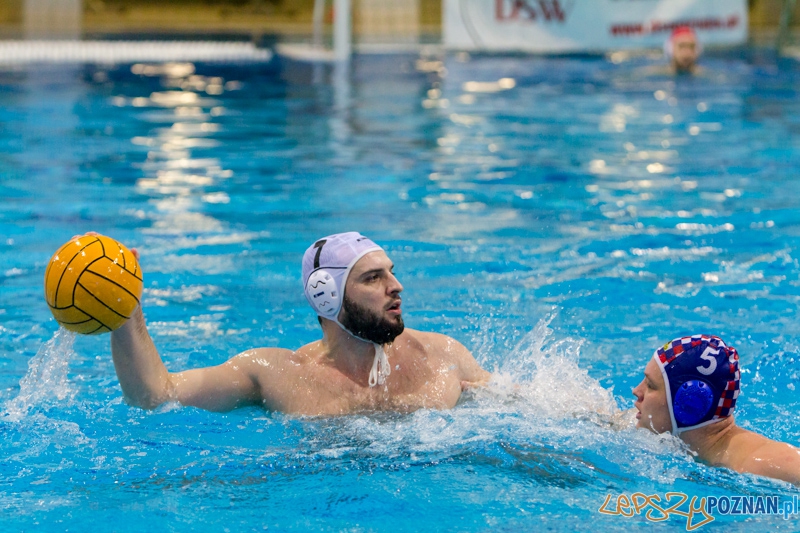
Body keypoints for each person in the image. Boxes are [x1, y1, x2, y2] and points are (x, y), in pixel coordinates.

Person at [109, 231, 491, 416]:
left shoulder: (443, 355)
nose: (396, 286)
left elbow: (521, 403)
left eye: (391, 272)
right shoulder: (275, 374)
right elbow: (155, 395)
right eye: (373, 278)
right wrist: (127, 310)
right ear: (326, 295)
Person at [632, 334, 800, 484]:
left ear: (690, 403)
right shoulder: (669, 433)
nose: (637, 391)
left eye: (650, 385)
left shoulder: (761, 464)